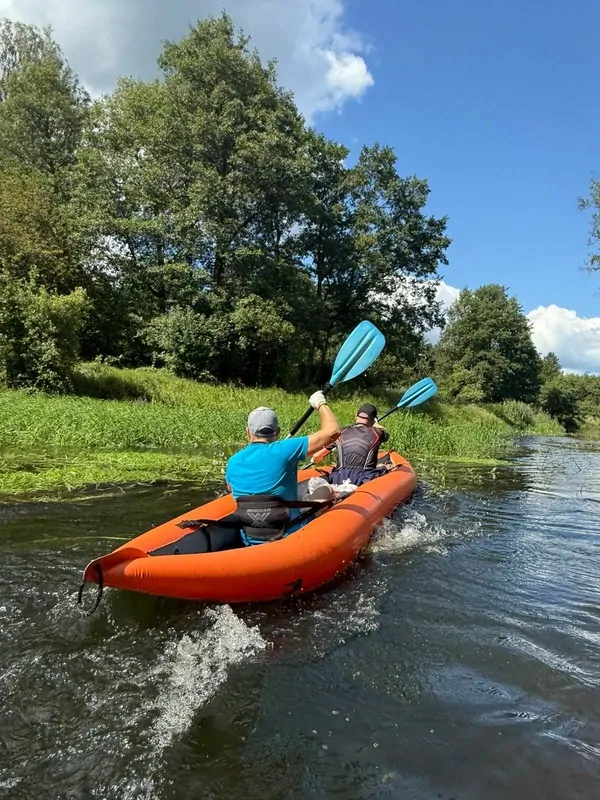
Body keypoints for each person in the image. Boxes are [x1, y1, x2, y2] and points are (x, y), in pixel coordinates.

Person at [225, 391, 340, 545]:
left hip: (249, 539)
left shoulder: (233, 461)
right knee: (327, 490)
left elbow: (231, 489)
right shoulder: (285, 449)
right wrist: (320, 403)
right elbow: (333, 432)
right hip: (289, 536)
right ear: (277, 432)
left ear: (248, 432)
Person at [326, 403, 390, 487]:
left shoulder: (341, 432)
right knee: (385, 467)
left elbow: (320, 454)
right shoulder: (377, 432)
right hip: (365, 478)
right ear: (373, 420)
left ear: (356, 416)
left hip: (339, 477)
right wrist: (376, 425)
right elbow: (386, 434)